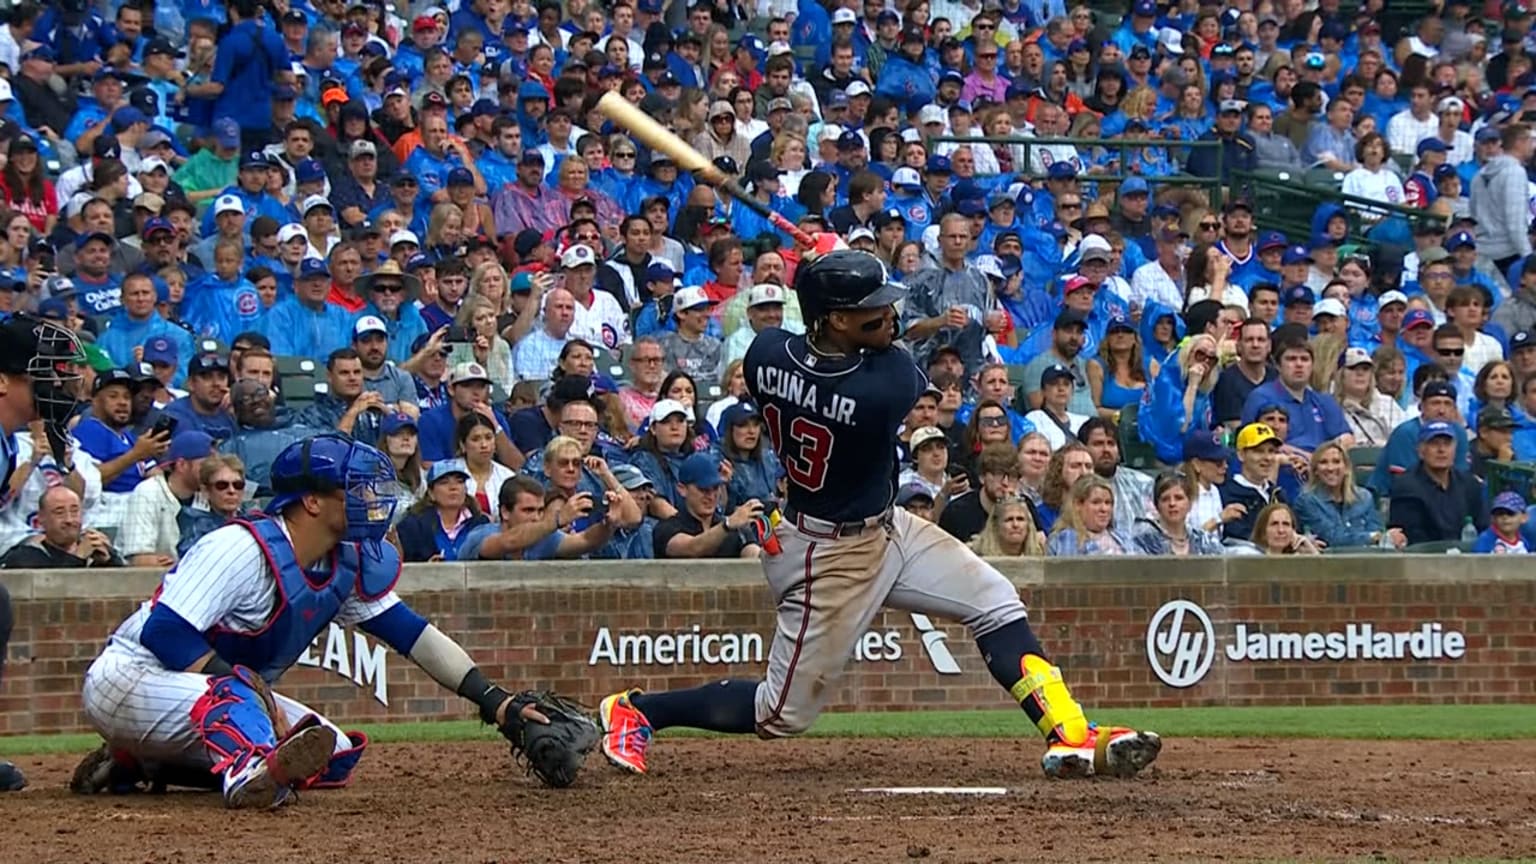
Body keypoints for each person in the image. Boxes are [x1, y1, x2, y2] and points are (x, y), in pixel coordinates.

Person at [595, 250, 1160, 781]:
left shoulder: (766, 351)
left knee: (996, 604)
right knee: (779, 713)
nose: (889, 315)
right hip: (827, 554)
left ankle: (1070, 733)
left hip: (888, 527)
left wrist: (830, 282)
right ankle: (637, 712)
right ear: (838, 320)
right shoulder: (880, 389)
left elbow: (810, 343)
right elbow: (892, 361)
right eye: (873, 309)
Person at [72, 434, 578, 807]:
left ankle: (140, 763)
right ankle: (249, 774)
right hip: (130, 679)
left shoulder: (344, 560)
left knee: (328, 750)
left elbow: (412, 635)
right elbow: (164, 631)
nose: (370, 501)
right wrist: (246, 687)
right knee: (242, 701)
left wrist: (496, 702)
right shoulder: (240, 546)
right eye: (353, 491)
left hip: (202, 699)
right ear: (312, 501)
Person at [458, 475, 618, 561]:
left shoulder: (543, 537)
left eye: (540, 510)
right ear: (505, 512)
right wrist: (558, 519)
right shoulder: (481, 536)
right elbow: (509, 542)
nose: (536, 517)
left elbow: (585, 541)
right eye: (528, 510)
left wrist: (608, 523)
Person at [118, 430, 214, 567]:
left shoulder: (209, 493)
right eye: (206, 465)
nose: (213, 471)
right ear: (182, 465)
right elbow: (140, 560)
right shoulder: (148, 493)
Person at [1387, 420, 1488, 545]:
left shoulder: (1469, 483)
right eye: (1434, 444)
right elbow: (1413, 537)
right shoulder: (1406, 486)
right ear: (1421, 451)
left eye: (1447, 444)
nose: (1441, 450)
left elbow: (1482, 526)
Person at [1293, 442, 1402, 550]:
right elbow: (1332, 538)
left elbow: (1377, 532)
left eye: (1336, 462)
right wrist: (1372, 537)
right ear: (1315, 470)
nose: (1330, 468)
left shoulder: (1364, 497)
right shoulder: (1307, 501)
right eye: (1323, 462)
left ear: (1346, 468)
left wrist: (1379, 537)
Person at [0, 485, 123, 568]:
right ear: (41, 519)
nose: (69, 520)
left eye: (74, 511)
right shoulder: (23, 557)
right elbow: (52, 595)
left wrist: (109, 560)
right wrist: (78, 558)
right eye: (59, 512)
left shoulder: (93, 552)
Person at [395, 461, 492, 562]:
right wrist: (425, 567)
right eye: (444, 482)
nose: (453, 487)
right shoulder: (413, 526)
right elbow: (403, 566)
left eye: (459, 481)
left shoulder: (480, 524)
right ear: (431, 493)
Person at [1218, 421, 1286, 542]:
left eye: (1271, 451)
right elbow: (1238, 535)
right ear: (1241, 454)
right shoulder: (1226, 493)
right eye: (1259, 451)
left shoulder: (1277, 494)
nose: (1267, 458)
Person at [174, 455, 253, 556]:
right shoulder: (194, 524)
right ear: (205, 491)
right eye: (222, 485)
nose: (231, 491)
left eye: (238, 485)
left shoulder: (254, 521)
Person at [1132, 472, 1225, 556]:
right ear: (1156, 505)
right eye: (1165, 499)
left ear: (1190, 503)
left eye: (1179, 498)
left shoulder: (1203, 541)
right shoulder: (1144, 541)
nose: (1172, 503)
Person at [1046, 474, 1137, 556]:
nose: (1104, 509)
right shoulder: (1067, 538)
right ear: (1078, 504)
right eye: (1096, 502)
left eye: (1108, 503)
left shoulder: (1122, 537)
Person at [969, 497, 1047, 557]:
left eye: (1020, 519)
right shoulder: (975, 554)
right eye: (1009, 520)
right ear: (995, 525)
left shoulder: (1041, 553)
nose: (1015, 525)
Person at [1470, 491, 1536, 554]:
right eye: (1499, 513)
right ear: (1493, 518)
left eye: (1511, 513)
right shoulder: (1486, 540)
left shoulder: (1523, 542)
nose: (1505, 517)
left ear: (1524, 517)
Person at [1251, 502, 1320, 555]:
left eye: (1286, 524)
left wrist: (1312, 552)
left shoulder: (1297, 561)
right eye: (1274, 524)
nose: (1281, 530)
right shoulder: (1249, 555)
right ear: (1263, 531)